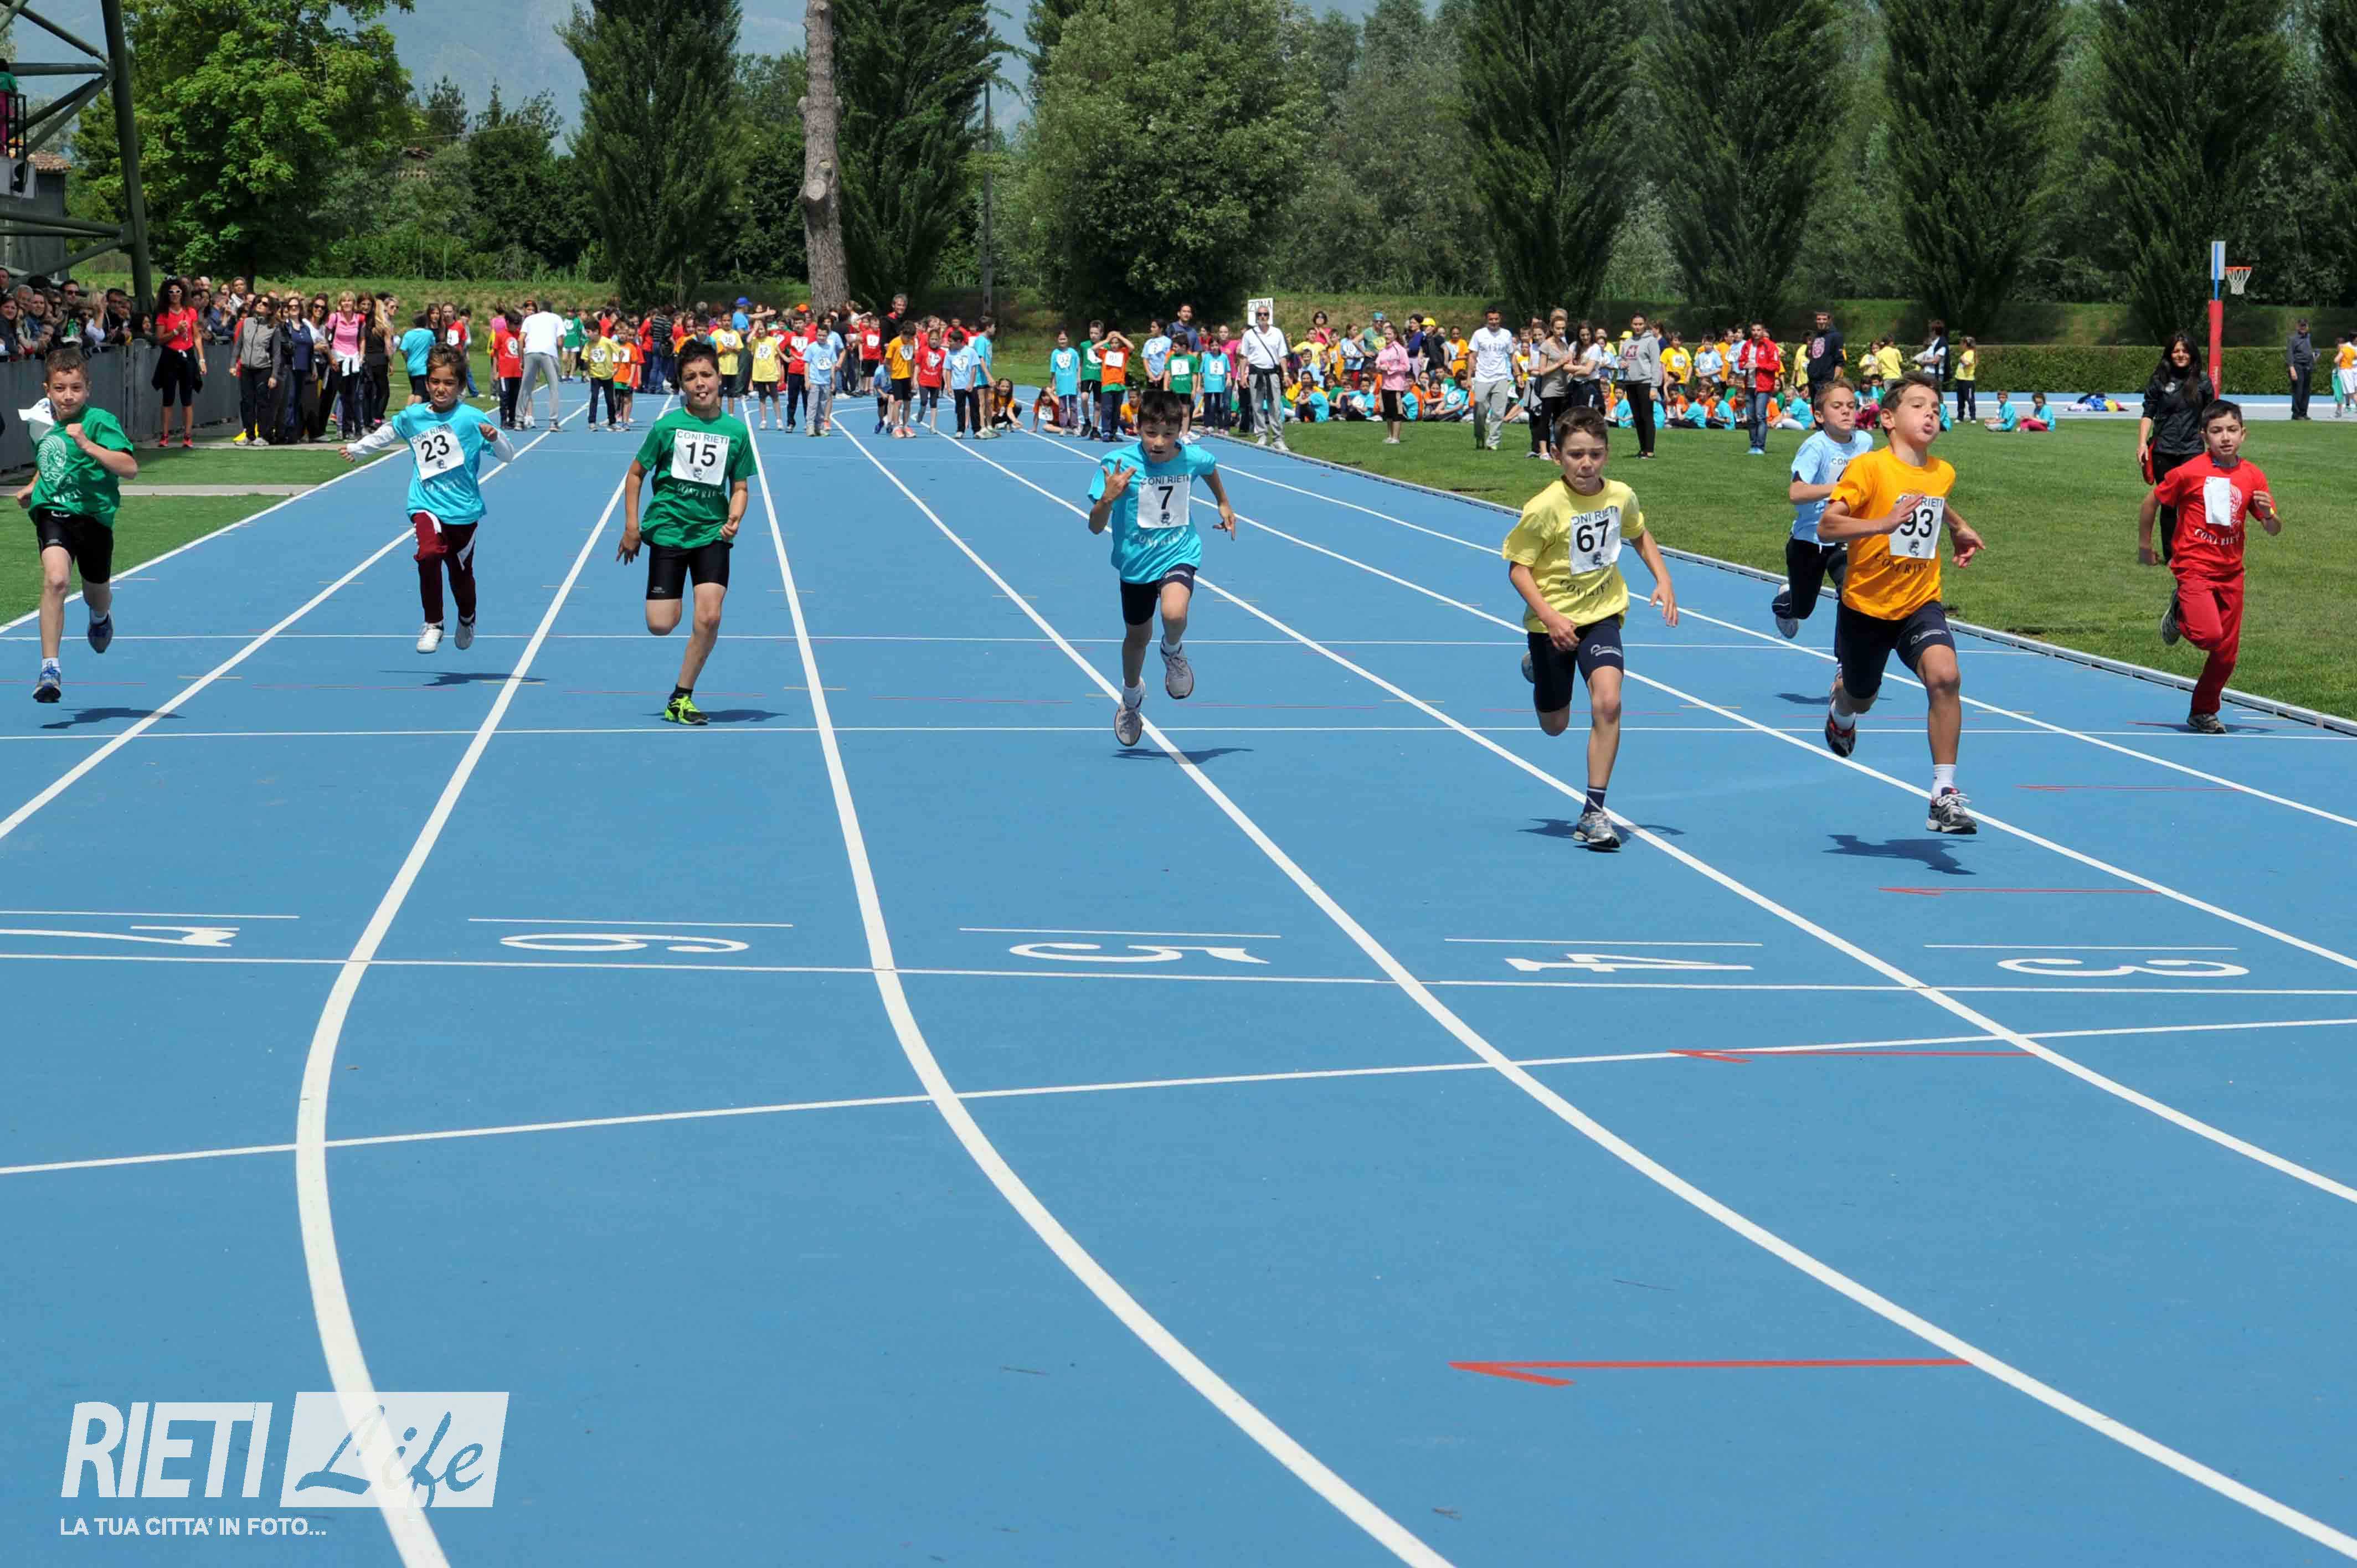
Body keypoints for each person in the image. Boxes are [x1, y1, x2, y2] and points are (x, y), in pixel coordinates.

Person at [1815, 372, 1987, 834]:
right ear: (1889, 419)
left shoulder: (1942, 472)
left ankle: (1943, 793)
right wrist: (1882, 524)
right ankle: (1841, 713)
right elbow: (1828, 525)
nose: (1930, 413)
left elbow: (1932, 498)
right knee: (1861, 697)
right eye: (1918, 405)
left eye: (1936, 407)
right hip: (1865, 607)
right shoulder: (1868, 468)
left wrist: (1958, 527)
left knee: (1946, 676)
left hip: (1919, 600)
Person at [1503, 405, 1679, 851]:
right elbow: (1519, 570)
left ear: (1607, 454)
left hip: (1602, 613)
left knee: (1609, 702)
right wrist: (1550, 618)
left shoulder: (1621, 496)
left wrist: (1663, 579)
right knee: (1555, 725)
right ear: (1557, 456)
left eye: (1596, 454)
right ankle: (1537, 667)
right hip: (1553, 622)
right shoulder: (1545, 508)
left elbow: (1639, 534)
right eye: (1576, 455)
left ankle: (1593, 811)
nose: (1586, 464)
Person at [338, 343, 518, 654]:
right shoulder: (415, 416)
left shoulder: (471, 419)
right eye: (435, 382)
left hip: (462, 510)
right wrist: (358, 449)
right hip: (425, 504)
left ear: (460, 387)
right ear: (427, 382)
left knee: (461, 577)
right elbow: (389, 433)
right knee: (429, 554)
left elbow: (508, 456)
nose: (441, 389)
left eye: (449, 383)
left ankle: (467, 617)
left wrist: (496, 437)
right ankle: (434, 623)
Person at [1086, 387, 1238, 747]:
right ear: (1138, 428)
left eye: (1168, 434)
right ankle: (1131, 698)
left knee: (1174, 613)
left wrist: (1224, 502)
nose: (1159, 442)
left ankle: (1172, 650)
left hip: (1178, 551)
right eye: (1151, 433)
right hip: (1136, 563)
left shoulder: (1190, 457)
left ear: (1181, 430)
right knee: (1137, 639)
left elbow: (1210, 467)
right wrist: (1107, 499)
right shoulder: (1117, 464)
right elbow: (1094, 526)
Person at [615, 341, 754, 726]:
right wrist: (631, 528)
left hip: (712, 533)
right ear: (682, 385)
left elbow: (740, 486)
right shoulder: (667, 427)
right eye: (691, 377)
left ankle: (681, 697)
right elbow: (635, 475)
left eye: (706, 375)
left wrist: (736, 515)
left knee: (709, 617)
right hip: (669, 531)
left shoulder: (736, 432)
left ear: (719, 378)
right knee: (661, 624)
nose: (700, 383)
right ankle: (669, 602)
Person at [2139, 399, 2281, 734]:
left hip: (2232, 573)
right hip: (2194, 566)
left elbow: (2273, 528)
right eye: (2217, 431)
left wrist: (2270, 514)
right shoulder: (2190, 472)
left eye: (2232, 430)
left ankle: (2203, 711)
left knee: (2226, 654)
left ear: (2243, 434)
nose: (2225, 437)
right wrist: (2145, 546)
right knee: (2208, 635)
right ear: (2204, 436)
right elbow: (2152, 501)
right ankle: (2180, 613)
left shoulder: (2253, 475)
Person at [18, 348, 137, 703]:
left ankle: (100, 616)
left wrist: (88, 445)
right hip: (53, 511)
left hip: (94, 517)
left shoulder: (100, 421)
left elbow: (129, 468)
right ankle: (50, 669)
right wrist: (33, 485)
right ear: (47, 390)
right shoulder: (39, 419)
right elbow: (50, 458)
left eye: (75, 388)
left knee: (95, 593)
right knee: (56, 580)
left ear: (88, 389)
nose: (68, 396)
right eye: (60, 388)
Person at [1772, 379, 1875, 638]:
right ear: (1819, 416)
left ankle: (1846, 657)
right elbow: (1796, 493)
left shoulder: (1865, 442)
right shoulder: (1815, 447)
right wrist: (1840, 487)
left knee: (1851, 593)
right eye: (1837, 407)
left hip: (1844, 536)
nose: (1846, 411)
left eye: (1851, 406)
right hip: (1810, 539)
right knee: (1801, 608)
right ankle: (1786, 599)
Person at [149, 278, 202, 449]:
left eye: (178, 291)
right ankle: (165, 436)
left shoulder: (190, 312)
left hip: (188, 355)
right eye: (171, 292)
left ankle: (188, 436)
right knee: (168, 398)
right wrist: (176, 331)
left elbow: (197, 336)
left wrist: (202, 359)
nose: (175, 295)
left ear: (183, 293)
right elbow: (159, 339)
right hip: (170, 356)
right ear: (167, 294)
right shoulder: (163, 314)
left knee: (187, 398)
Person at [1240, 304, 1290, 452]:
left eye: (1265, 314)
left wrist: (1286, 374)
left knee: (1275, 406)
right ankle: (1262, 435)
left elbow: (1282, 356)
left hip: (1273, 373)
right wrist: (1243, 376)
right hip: (1256, 374)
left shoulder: (1277, 333)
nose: (1263, 317)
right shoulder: (1249, 334)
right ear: (1256, 317)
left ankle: (1278, 439)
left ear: (1269, 316)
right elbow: (1244, 357)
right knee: (1257, 406)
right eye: (1260, 314)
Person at [1617, 314, 1663, 459]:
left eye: (1641, 324)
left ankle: (1650, 450)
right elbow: (1620, 358)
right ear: (1631, 325)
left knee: (1647, 416)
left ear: (1645, 324)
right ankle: (1643, 449)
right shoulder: (1628, 342)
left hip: (1646, 382)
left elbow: (1656, 365)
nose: (1638, 327)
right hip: (1631, 383)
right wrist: (1621, 363)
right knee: (1637, 418)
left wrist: (1654, 387)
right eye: (1635, 324)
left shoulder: (1651, 341)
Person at [516, 298, 565, 429]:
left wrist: (521, 360)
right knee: (553, 387)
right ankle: (554, 422)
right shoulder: (557, 318)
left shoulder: (529, 319)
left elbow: (520, 340)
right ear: (551, 310)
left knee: (526, 387)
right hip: (548, 353)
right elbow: (560, 342)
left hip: (530, 352)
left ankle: (519, 420)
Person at [1737, 321, 1783, 455]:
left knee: (1760, 416)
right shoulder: (1747, 345)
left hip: (1764, 386)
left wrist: (1759, 366)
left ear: (1763, 331)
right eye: (1753, 330)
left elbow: (1776, 365)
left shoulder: (1770, 346)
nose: (1756, 333)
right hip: (1749, 385)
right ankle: (1753, 445)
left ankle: (1760, 447)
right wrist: (1744, 365)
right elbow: (1741, 362)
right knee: (1751, 418)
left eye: (1758, 330)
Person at [1375, 323, 1412, 445]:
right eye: (1385, 334)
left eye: (1389, 334)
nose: (1387, 336)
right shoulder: (1383, 350)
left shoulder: (1400, 350)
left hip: (1396, 385)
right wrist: (1380, 367)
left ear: (1395, 335)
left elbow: (1407, 367)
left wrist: (1391, 369)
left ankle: (1396, 437)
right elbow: (1378, 363)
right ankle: (1390, 436)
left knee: (1396, 412)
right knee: (1388, 413)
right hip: (1385, 385)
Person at [802, 321, 838, 436]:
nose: (822, 338)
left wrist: (833, 381)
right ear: (816, 335)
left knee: (822, 406)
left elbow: (833, 365)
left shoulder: (830, 348)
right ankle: (810, 426)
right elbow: (807, 364)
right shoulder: (811, 347)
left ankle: (820, 427)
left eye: (824, 336)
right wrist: (807, 380)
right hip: (814, 381)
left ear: (828, 336)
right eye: (820, 335)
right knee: (812, 405)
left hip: (826, 381)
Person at [1098, 328, 1134, 442]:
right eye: (1112, 343)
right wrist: (1107, 340)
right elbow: (1094, 348)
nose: (1114, 345)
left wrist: (1120, 336)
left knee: (1116, 411)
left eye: (1116, 343)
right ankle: (1106, 431)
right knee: (1107, 410)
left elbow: (1132, 347)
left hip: (1119, 386)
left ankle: (1113, 432)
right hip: (1107, 386)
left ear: (1120, 343)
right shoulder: (1105, 353)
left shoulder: (1124, 352)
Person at [946, 332, 981, 437]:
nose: (949, 343)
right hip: (958, 385)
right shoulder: (950, 354)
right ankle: (960, 430)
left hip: (971, 385)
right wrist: (949, 386)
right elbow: (948, 370)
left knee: (975, 407)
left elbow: (974, 368)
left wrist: (971, 383)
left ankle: (977, 430)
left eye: (951, 341)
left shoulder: (971, 351)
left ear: (958, 341)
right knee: (960, 409)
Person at [750, 321, 784, 429]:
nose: (760, 332)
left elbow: (777, 358)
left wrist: (779, 373)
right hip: (759, 374)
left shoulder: (772, 341)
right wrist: (754, 330)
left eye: (762, 329)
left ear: (766, 329)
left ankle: (779, 420)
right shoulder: (754, 341)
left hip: (771, 374)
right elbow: (748, 340)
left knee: (775, 398)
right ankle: (763, 420)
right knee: (762, 398)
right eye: (758, 330)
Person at [584, 318, 616, 430]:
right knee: (594, 398)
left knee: (610, 400)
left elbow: (620, 352)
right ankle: (592, 421)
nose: (587, 334)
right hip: (595, 376)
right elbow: (585, 359)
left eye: (588, 332)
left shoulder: (607, 342)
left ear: (596, 332)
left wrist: (618, 367)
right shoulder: (588, 345)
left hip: (608, 375)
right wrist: (588, 368)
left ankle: (612, 421)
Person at [1048, 329, 1082, 434]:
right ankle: (1064, 427)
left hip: (1072, 382)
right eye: (1060, 339)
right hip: (1061, 383)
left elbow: (1078, 367)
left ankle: (1075, 426)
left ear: (1068, 340)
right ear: (1057, 340)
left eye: (1064, 339)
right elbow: (1053, 371)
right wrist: (1053, 385)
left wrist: (1078, 379)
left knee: (1073, 406)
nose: (1062, 341)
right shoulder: (1055, 353)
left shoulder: (1073, 352)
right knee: (1062, 407)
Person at [1200, 326, 1232, 431]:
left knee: (1219, 406)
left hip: (1219, 384)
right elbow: (1201, 371)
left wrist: (1228, 379)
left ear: (1219, 346)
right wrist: (1201, 383)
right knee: (1208, 406)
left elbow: (1228, 370)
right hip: (1209, 385)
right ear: (1210, 346)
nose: (1214, 347)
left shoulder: (1224, 357)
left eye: (1216, 345)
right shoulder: (1207, 357)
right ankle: (1208, 425)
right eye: (1212, 346)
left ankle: (1221, 426)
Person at [2286, 318, 2315, 420]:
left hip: (2308, 366)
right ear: (2297, 327)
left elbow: (2309, 351)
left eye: (2305, 325)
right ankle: (2296, 414)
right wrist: (2292, 368)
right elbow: (2290, 354)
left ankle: (2304, 413)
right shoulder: (2293, 339)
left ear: (2308, 327)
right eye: (2301, 326)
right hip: (2297, 366)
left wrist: (2314, 357)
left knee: (2306, 391)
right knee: (2298, 391)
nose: (2303, 327)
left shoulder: (2309, 337)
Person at [1952, 337, 1978, 420]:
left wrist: (1962, 359)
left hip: (1968, 381)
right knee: (1960, 400)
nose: (1960, 346)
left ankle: (1973, 417)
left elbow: (1967, 363)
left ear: (1966, 345)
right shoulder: (1966, 353)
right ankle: (1960, 417)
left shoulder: (1970, 353)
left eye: (1962, 344)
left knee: (1970, 399)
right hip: (1960, 379)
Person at [2334, 333, 2357, 418]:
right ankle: (2338, 412)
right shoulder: (2352, 350)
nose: (2337, 348)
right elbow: (2355, 357)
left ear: (2339, 345)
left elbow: (2336, 360)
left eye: (2337, 346)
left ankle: (2339, 412)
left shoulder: (2343, 350)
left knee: (2352, 394)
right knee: (2340, 393)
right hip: (2350, 371)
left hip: (2344, 372)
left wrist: (2341, 359)